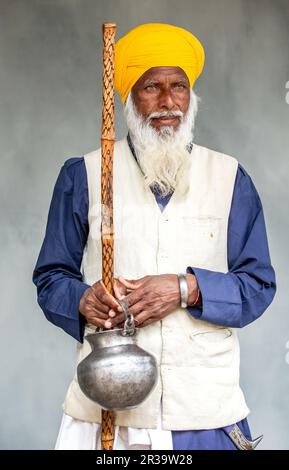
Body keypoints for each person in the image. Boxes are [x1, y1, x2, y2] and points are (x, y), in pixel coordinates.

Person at [32, 23, 276, 450]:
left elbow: (258, 285)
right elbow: (51, 277)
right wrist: (81, 299)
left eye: (178, 87)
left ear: (191, 96)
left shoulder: (230, 177)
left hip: (204, 413)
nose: (168, 102)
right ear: (128, 98)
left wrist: (187, 288)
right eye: (152, 88)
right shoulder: (85, 175)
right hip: (109, 409)